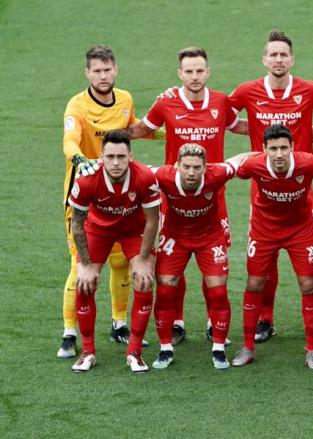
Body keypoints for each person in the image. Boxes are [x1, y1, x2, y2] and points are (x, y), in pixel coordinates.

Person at [228, 30, 313, 342]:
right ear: (264, 59)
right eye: (273, 54)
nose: (278, 59)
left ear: (292, 59)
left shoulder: (308, 89)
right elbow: (223, 116)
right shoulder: (248, 91)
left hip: (301, 182)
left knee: (308, 258)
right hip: (263, 183)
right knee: (267, 258)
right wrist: (253, 136)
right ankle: (265, 319)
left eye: (283, 54)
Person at [130, 47, 246, 345]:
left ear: (208, 72)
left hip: (213, 197)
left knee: (215, 267)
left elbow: (242, 127)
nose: (195, 77)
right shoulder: (166, 102)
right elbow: (142, 129)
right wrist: (104, 136)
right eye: (189, 71)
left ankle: (212, 321)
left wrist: (280, 134)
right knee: (173, 265)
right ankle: (177, 320)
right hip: (174, 196)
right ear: (180, 74)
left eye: (199, 71)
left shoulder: (221, 101)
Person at [230, 124, 313, 369]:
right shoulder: (255, 164)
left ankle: (311, 349)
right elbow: (228, 168)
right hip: (263, 229)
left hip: (300, 229)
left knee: (308, 284)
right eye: (273, 148)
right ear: (264, 149)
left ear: (292, 148)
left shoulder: (307, 162)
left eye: (284, 148)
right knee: (254, 282)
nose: (279, 154)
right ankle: (247, 347)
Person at [59, 45, 143, 359]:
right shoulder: (76, 105)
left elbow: (133, 130)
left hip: (118, 193)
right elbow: (69, 140)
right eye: (97, 70)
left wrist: (173, 131)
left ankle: (119, 324)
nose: (103, 75)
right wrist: (81, 160)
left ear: (115, 70)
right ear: (87, 73)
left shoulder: (125, 99)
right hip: (82, 195)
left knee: (121, 261)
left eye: (107, 69)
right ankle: (69, 332)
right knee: (80, 266)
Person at [150, 144, 254, 370]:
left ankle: (218, 348)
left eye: (197, 168)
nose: (191, 172)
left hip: (210, 238)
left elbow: (239, 159)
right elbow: (135, 169)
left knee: (218, 291)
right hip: (174, 238)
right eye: (186, 167)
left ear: (206, 167)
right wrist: (96, 165)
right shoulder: (163, 176)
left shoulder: (217, 174)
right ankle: (165, 348)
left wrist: (264, 154)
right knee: (166, 289)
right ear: (176, 166)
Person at [67, 130, 161, 373]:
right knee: (84, 283)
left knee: (144, 279)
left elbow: (152, 221)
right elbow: (76, 222)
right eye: (110, 157)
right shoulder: (87, 179)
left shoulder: (145, 177)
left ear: (131, 155)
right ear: (101, 157)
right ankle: (87, 352)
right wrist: (85, 263)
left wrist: (142, 259)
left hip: (134, 229)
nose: (116, 163)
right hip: (98, 229)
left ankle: (135, 352)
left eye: (121, 156)